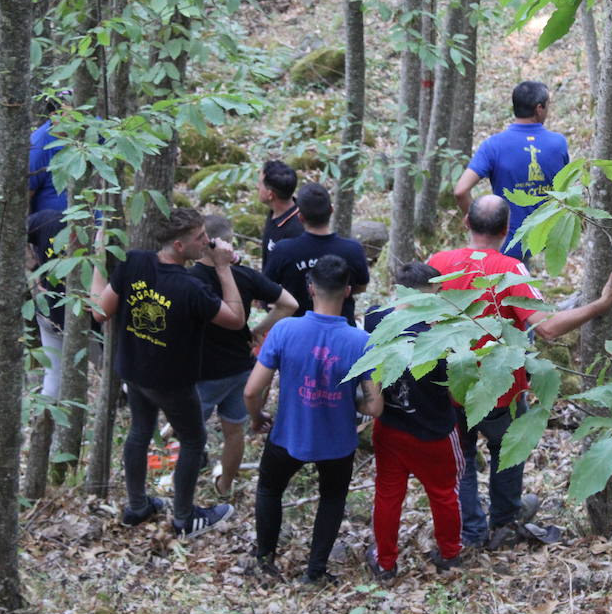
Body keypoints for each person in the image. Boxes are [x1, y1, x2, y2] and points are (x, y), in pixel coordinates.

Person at [428, 195, 612, 549]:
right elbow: (547, 328)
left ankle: (470, 530)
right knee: (509, 447)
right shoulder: (510, 269)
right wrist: (599, 305)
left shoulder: (437, 263)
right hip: (500, 389)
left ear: (466, 224)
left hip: (450, 385)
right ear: (506, 230)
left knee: (464, 459)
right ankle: (503, 519)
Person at [92, 208, 244, 537]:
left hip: (133, 371)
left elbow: (101, 310)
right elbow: (236, 318)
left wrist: (96, 262)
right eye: (199, 238)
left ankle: (137, 507)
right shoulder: (190, 288)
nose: (207, 242)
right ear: (178, 245)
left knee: (140, 431)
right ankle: (185, 518)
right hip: (172, 382)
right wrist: (223, 269)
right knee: (193, 439)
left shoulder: (133, 263)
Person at [244, 255, 383, 583]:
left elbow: (251, 391)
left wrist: (256, 418)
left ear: (310, 289)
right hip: (337, 442)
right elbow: (375, 407)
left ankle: (265, 560)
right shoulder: (361, 342)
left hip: (287, 435)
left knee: (269, 490)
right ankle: (315, 572)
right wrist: (352, 400)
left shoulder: (284, 331)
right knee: (332, 499)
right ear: (348, 291)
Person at [364, 262, 464, 579]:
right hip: (434, 432)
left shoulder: (375, 318)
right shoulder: (439, 338)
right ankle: (450, 553)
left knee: (388, 493)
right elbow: (458, 394)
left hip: (391, 425)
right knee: (445, 493)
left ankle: (385, 561)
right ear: (431, 292)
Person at [189, 215, 298, 499]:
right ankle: (224, 486)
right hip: (240, 368)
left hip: (200, 372)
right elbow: (290, 304)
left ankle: (187, 487)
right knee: (233, 432)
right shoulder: (245, 276)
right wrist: (259, 330)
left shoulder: (188, 281)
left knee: (190, 433)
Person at [453, 80, 569, 261]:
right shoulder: (558, 144)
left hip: (508, 244)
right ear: (539, 109)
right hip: (550, 243)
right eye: (548, 105)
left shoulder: (493, 146)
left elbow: (460, 190)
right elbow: (565, 191)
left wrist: (476, 221)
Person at [264, 182, 369, 326]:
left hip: (297, 331)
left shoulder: (284, 250)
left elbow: (266, 289)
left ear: (300, 217)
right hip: (342, 329)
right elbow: (361, 286)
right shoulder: (352, 249)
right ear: (331, 210)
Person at [26, 209, 67, 410]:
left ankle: (43, 424)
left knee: (53, 378)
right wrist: (35, 269)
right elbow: (12, 234)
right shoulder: (48, 219)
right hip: (53, 313)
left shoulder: (48, 218)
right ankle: (43, 426)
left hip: (82, 314)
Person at [29, 91, 70, 215]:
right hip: (51, 224)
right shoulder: (39, 145)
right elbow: (25, 193)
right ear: (54, 115)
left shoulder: (91, 132)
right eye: (71, 114)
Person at [259, 160, 304, 270]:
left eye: (260, 184)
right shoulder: (275, 212)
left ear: (270, 194)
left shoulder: (297, 230)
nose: (257, 187)